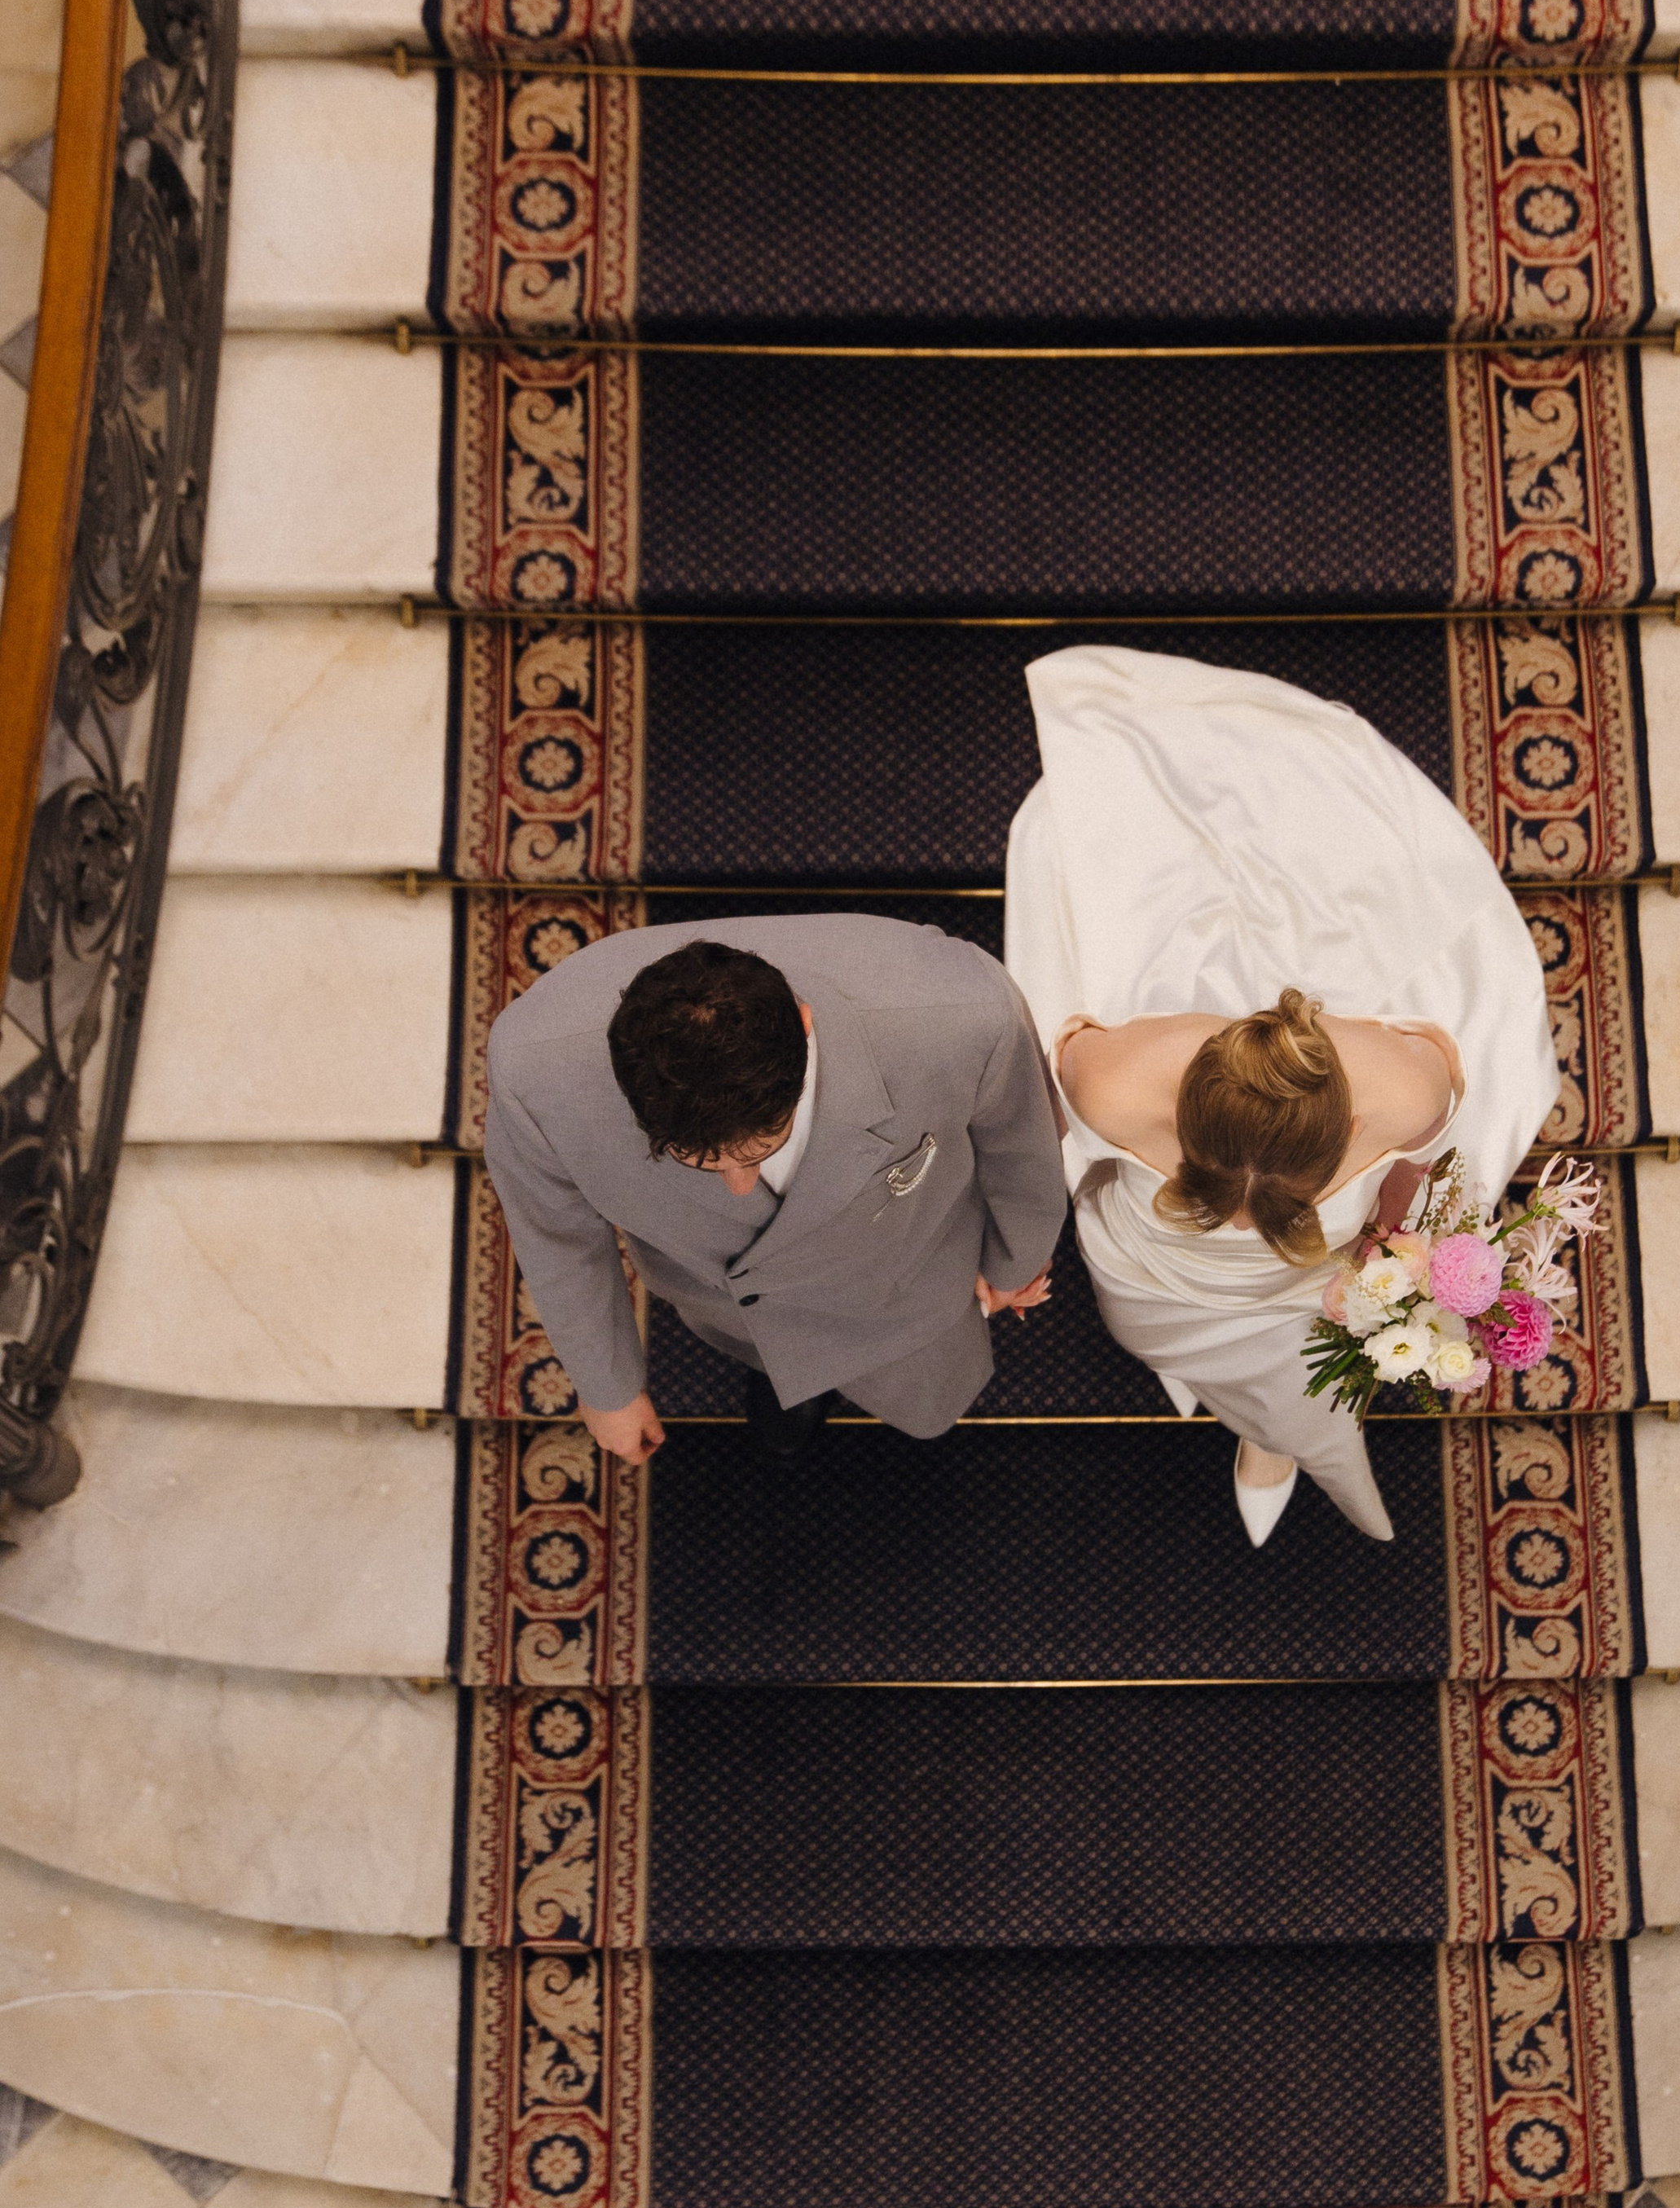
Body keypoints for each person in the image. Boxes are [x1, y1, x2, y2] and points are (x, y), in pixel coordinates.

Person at [1004, 644, 1559, 1542]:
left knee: (1283, 1350)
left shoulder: (1118, 1085)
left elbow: (1067, 1036)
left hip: (1158, 1268)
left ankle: (1275, 1429)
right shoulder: (1400, 1093)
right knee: (1275, 1340)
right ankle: (1276, 1427)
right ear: (1341, 1120)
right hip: (1225, 1278)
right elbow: (1435, 1055)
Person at [484, 916, 1064, 1463]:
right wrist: (607, 1387)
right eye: (700, 1162)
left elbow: (1022, 1148)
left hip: (907, 1284)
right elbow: (557, 1237)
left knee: (927, 1398)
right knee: (762, 1349)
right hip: (729, 1305)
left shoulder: (964, 1017)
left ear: (805, 1025)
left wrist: (1015, 1261)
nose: (739, 1188)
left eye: (759, 1151)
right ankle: (784, 1374)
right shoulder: (534, 1074)